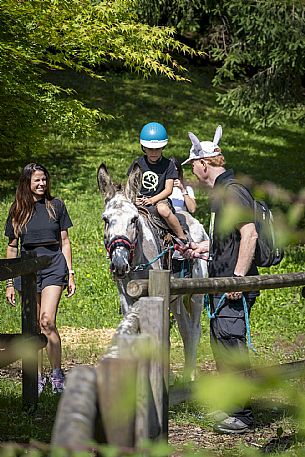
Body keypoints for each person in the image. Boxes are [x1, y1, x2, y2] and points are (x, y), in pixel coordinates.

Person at [181, 125, 259, 434]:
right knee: (221, 343)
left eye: (194, 165)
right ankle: (231, 406)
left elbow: (249, 234)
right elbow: (230, 240)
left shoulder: (232, 190)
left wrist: (237, 279)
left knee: (231, 344)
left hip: (232, 286)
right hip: (222, 283)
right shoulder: (221, 193)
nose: (194, 172)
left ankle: (242, 413)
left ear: (205, 162)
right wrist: (203, 248)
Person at [5, 163, 76, 396]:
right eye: (37, 180)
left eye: (44, 179)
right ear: (27, 182)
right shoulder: (17, 210)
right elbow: (12, 247)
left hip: (53, 266)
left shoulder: (56, 206)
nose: (42, 184)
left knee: (47, 322)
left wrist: (71, 273)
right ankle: (35, 376)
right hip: (26, 270)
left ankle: (56, 374)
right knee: (32, 327)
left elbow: (65, 242)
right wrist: (9, 282)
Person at [128, 122, 187, 244]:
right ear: (143, 147)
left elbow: (168, 190)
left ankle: (182, 238)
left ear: (163, 147)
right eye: (150, 149)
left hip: (160, 199)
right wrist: (134, 199)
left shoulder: (168, 165)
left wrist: (152, 200)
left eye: (157, 149)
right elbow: (130, 186)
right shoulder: (137, 163)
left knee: (163, 210)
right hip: (140, 198)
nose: (153, 152)